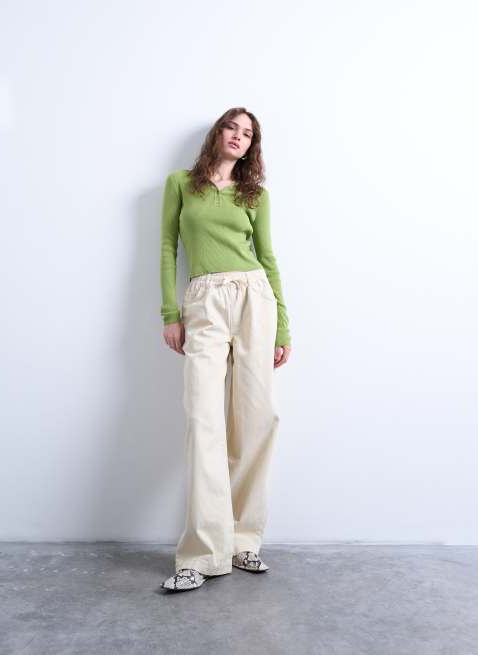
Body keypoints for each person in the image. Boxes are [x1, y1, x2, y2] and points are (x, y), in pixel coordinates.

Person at [159, 107, 292, 592]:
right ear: (217, 134)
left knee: (257, 419)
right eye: (232, 128)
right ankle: (200, 554)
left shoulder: (255, 194)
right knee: (203, 419)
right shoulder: (181, 183)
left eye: (247, 133)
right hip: (204, 300)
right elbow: (168, 247)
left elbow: (268, 258)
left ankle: (243, 541)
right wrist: (170, 313)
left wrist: (282, 327)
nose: (238, 136)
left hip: (254, 298)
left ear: (252, 145)